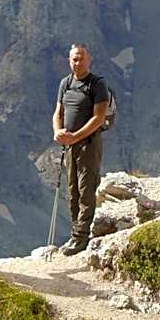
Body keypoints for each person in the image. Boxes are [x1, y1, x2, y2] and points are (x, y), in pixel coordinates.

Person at [52, 43, 109, 255]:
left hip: (88, 145)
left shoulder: (97, 84)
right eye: (74, 59)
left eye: (81, 58)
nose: (77, 62)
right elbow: (58, 112)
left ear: (89, 60)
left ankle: (81, 237)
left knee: (86, 190)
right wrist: (58, 132)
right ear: (69, 61)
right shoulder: (65, 84)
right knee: (73, 191)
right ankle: (76, 233)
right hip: (70, 146)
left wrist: (75, 136)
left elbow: (99, 117)